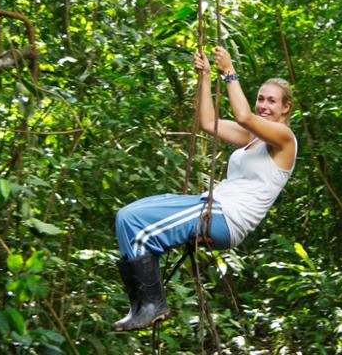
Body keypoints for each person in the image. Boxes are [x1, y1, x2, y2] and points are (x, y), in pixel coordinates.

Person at [111, 46, 297, 331]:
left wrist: (229, 71)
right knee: (126, 216)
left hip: (227, 218)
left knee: (141, 227)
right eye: (261, 99)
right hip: (211, 204)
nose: (264, 105)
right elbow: (207, 122)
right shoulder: (251, 138)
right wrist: (206, 77)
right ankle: (141, 305)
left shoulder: (284, 139)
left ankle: (152, 304)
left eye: (272, 101)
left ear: (285, 108)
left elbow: (244, 116)